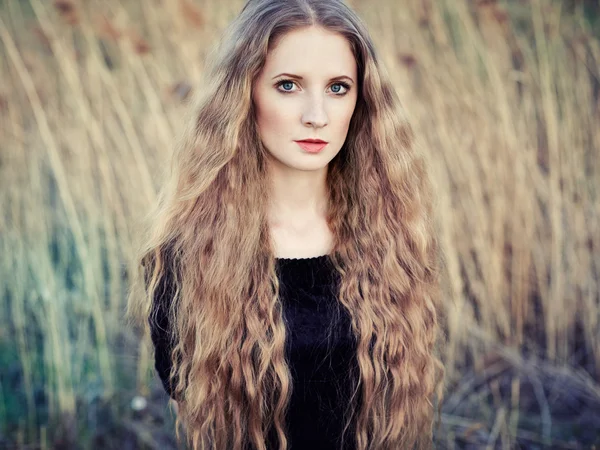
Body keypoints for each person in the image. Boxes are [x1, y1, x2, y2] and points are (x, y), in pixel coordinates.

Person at [127, 0, 445, 449]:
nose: (316, 114)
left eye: (338, 88)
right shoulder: (188, 255)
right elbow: (192, 404)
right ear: (245, 93)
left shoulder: (395, 239)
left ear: (362, 100)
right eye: (288, 85)